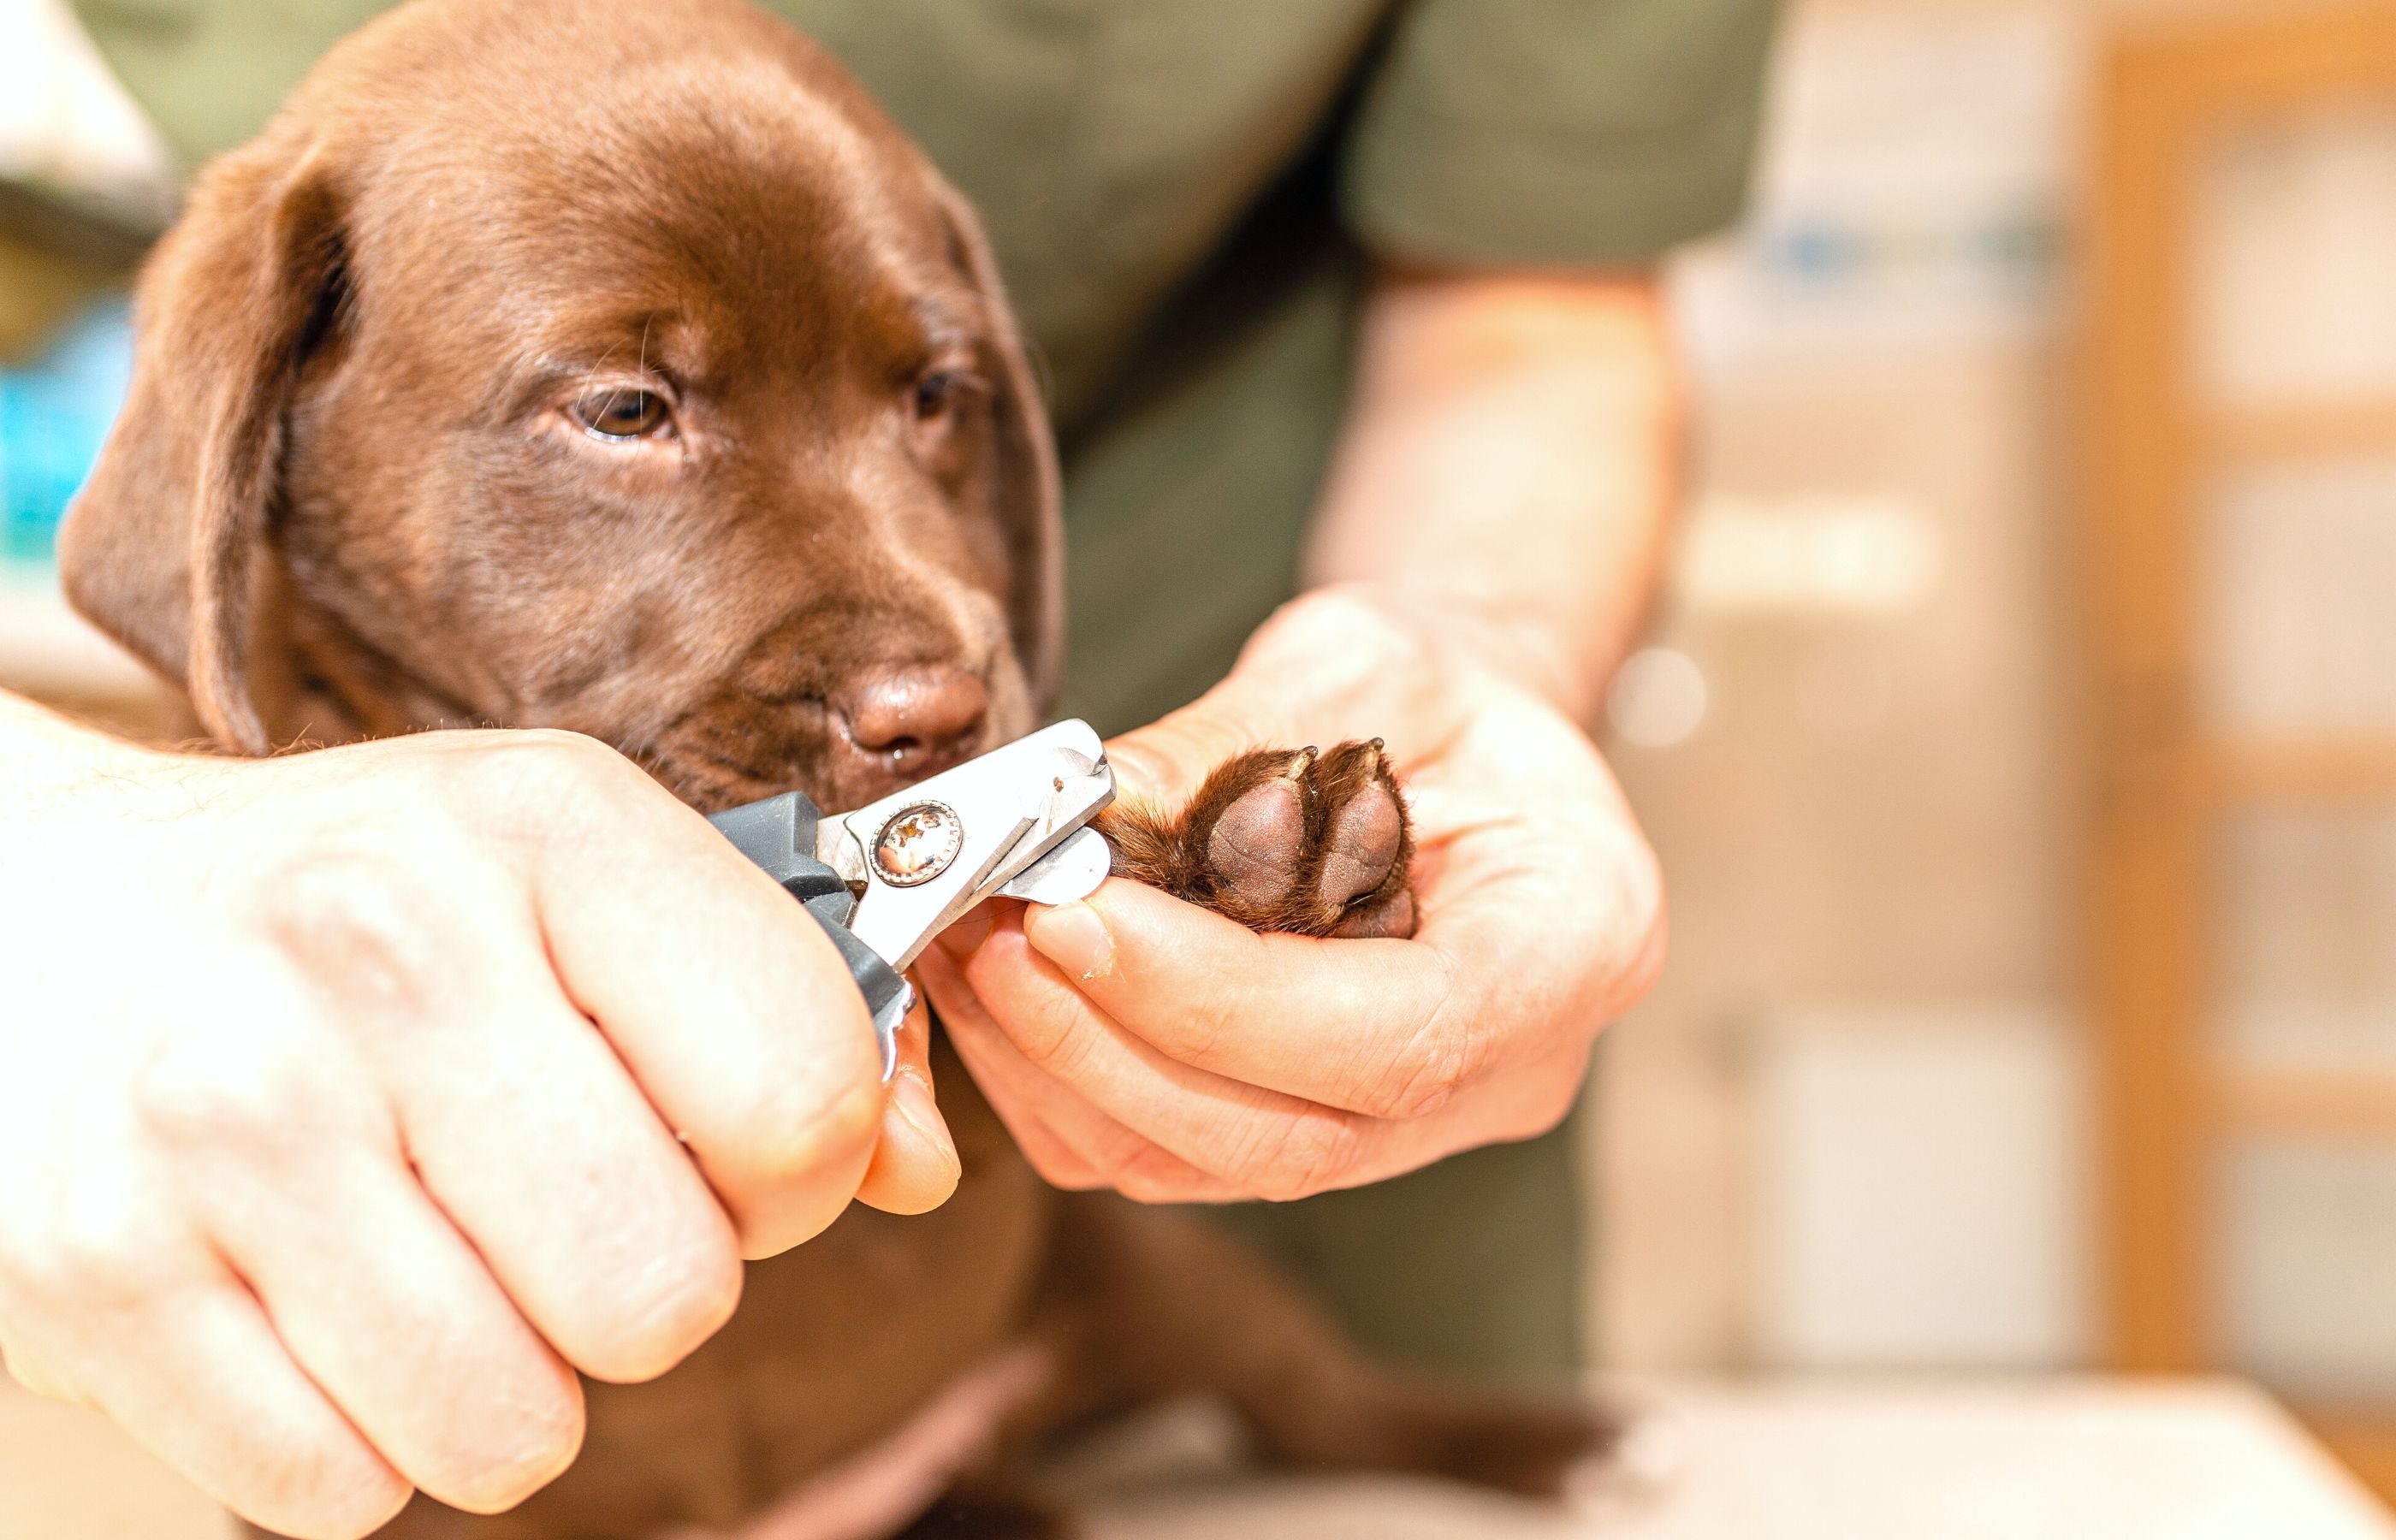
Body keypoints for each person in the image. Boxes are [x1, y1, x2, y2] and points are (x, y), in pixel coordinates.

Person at [4, 0, 1778, 1531]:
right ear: (258, 438)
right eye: (629, 409)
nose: (920, 650)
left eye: (926, 400)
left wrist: (1462, 663)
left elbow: (1529, 310)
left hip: (1106, 1214)